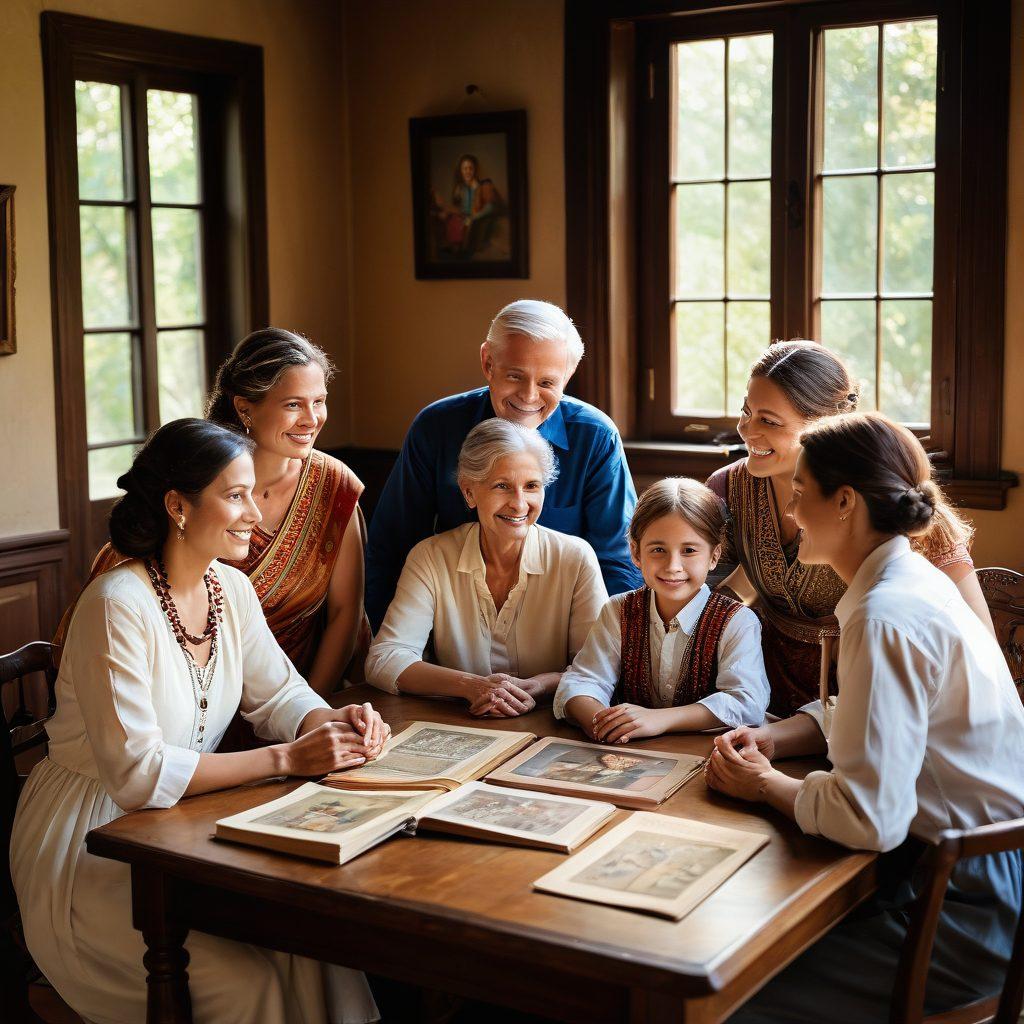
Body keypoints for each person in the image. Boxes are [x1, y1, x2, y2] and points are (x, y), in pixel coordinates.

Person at [11, 419, 388, 1024]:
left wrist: (331, 721)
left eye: (253, 495)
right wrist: (288, 759)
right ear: (177, 506)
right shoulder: (116, 606)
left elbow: (279, 694)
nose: (255, 517)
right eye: (235, 496)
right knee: (244, 982)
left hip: (186, 826)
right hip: (89, 842)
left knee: (313, 946)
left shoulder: (230, 589)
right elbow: (137, 776)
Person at [704, 412, 1024, 1023]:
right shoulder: (911, 582)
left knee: (722, 998)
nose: (791, 511)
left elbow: (870, 818)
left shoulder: (885, 615)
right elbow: (887, 714)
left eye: (801, 493)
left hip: (967, 906)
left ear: (845, 501)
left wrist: (763, 785)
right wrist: (779, 734)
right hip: (966, 870)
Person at [58, 328, 367, 698]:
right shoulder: (197, 476)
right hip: (178, 701)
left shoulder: (333, 484)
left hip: (290, 695)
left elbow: (345, 611)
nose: (311, 419)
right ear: (244, 408)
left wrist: (311, 711)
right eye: (293, 405)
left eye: (319, 401)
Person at [707, 339, 991, 717]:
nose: (746, 430)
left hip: (870, 700)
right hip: (759, 697)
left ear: (825, 425)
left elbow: (977, 644)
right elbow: (710, 597)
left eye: (769, 421)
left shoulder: (889, 501)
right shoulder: (728, 489)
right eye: (746, 411)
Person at [365, 299, 642, 631]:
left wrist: (596, 659)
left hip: (562, 634)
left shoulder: (595, 437)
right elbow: (392, 545)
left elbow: (617, 563)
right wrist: (393, 642)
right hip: (450, 632)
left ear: (568, 376)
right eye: (515, 376)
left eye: (547, 383)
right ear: (487, 362)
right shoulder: (436, 427)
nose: (528, 396)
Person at [365, 418, 607, 716]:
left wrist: (541, 685)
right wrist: (471, 686)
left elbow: (597, 667)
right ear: (469, 492)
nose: (519, 504)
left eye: (532, 486)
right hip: (455, 722)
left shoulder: (576, 557)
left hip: (551, 723)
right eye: (502, 486)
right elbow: (384, 659)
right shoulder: (430, 557)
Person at [555, 477, 769, 742]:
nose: (672, 566)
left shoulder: (737, 622)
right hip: (627, 752)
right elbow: (582, 681)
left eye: (689, 550)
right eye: (658, 549)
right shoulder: (617, 611)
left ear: (714, 556)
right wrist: (605, 724)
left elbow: (746, 703)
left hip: (704, 756)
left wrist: (660, 719)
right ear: (635, 552)